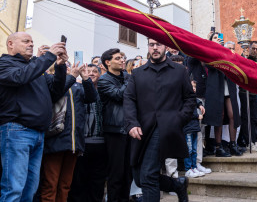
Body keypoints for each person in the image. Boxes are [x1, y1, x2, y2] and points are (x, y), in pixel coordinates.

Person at [0, 32, 67, 201]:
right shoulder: (2, 63)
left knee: (29, 191)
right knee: (14, 189)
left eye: (32, 42)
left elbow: (56, 91)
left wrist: (61, 66)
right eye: (26, 41)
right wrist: (48, 57)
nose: (31, 45)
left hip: (38, 134)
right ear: (10, 44)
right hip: (16, 131)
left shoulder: (35, 68)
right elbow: (20, 77)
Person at [124, 38, 196, 202]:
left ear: (165, 47)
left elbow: (190, 99)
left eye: (158, 44)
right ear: (148, 47)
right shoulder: (137, 73)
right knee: (139, 177)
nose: (155, 48)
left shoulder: (179, 71)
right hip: (141, 129)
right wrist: (132, 123)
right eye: (151, 45)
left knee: (148, 175)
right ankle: (177, 185)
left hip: (164, 129)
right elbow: (129, 100)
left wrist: (178, 119)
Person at [40, 61, 98, 202]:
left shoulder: (77, 85)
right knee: (50, 185)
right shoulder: (51, 83)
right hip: (55, 139)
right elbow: (55, 94)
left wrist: (85, 78)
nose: (68, 67)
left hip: (73, 141)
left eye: (68, 64)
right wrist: (70, 77)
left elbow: (92, 98)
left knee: (65, 185)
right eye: (63, 65)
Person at [68, 64, 107, 202]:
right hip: (81, 142)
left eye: (94, 71)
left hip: (101, 143)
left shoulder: (105, 92)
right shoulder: (77, 90)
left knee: (97, 180)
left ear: (100, 74)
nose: (90, 73)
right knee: (79, 180)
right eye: (87, 71)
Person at [97, 48, 132, 202]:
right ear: (107, 62)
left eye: (123, 58)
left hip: (130, 129)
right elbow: (119, 95)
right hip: (114, 131)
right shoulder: (104, 80)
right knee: (116, 173)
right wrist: (129, 80)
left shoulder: (127, 77)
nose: (122, 60)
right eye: (118, 58)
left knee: (128, 173)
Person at [204, 32, 242, 157]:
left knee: (233, 114)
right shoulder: (209, 51)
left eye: (219, 38)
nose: (218, 40)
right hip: (216, 85)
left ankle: (233, 144)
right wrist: (214, 47)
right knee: (219, 115)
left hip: (228, 84)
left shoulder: (228, 53)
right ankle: (218, 147)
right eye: (215, 38)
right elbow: (208, 64)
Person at [238, 41, 257, 152]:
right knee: (246, 118)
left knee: (255, 118)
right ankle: (248, 141)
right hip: (244, 92)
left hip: (254, 93)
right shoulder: (244, 59)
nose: (255, 51)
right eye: (253, 48)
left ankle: (255, 141)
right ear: (248, 48)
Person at [183, 81, 205, 178]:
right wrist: (197, 116)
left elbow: (196, 100)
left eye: (195, 86)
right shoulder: (183, 99)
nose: (194, 88)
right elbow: (186, 113)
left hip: (194, 128)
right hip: (188, 128)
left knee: (194, 150)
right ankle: (188, 169)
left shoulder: (193, 98)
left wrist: (200, 104)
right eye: (192, 86)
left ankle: (194, 166)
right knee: (189, 150)